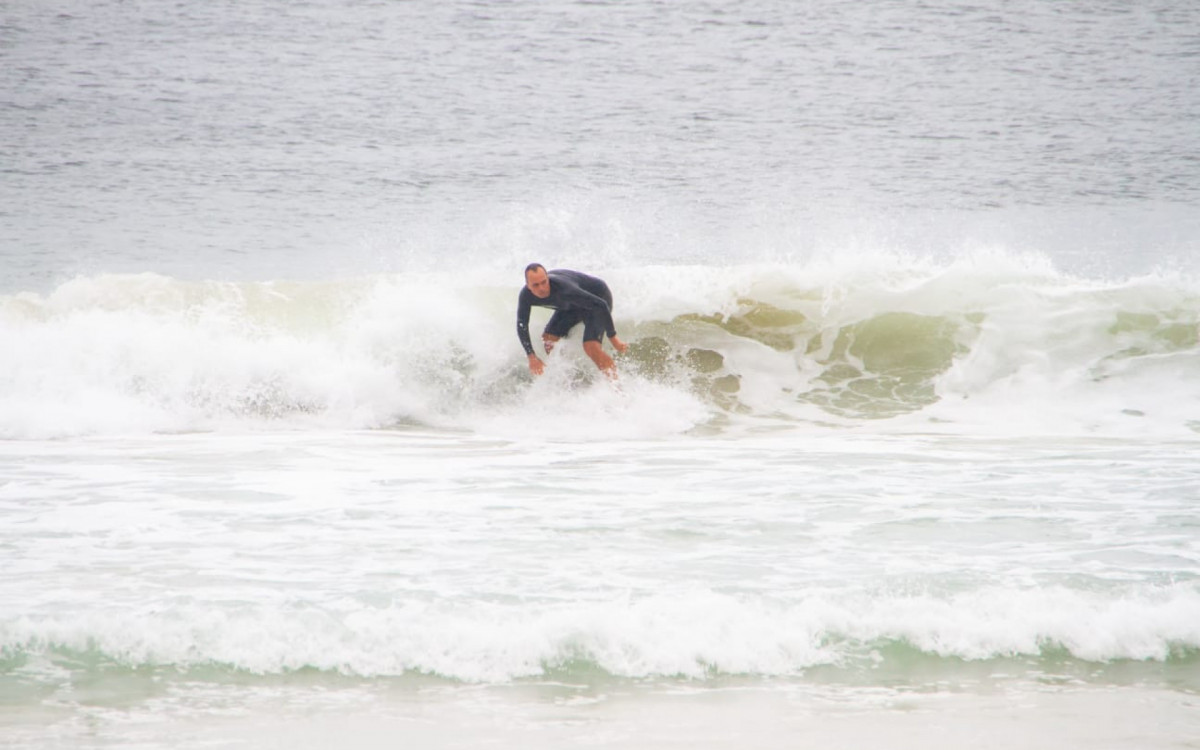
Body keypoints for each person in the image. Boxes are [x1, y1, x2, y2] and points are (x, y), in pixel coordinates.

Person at [517, 264, 628, 377]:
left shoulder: (565, 289)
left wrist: (613, 338)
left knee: (590, 346)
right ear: (528, 286)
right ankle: (568, 377)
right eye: (535, 285)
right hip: (571, 306)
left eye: (544, 282)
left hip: (598, 298)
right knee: (548, 340)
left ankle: (616, 385)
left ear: (547, 278)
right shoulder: (525, 296)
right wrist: (531, 356)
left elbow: (601, 305)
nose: (541, 288)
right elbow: (522, 324)